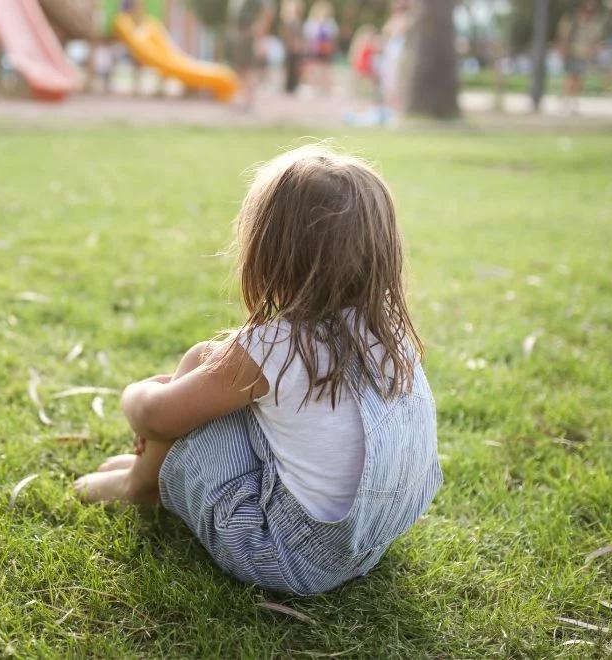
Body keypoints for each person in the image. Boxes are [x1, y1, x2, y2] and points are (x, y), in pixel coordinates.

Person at [75, 146, 442, 595]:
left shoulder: (280, 346)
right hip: (369, 539)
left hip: (283, 555)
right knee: (210, 369)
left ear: (268, 251)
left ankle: (139, 484)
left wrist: (137, 393)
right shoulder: (390, 331)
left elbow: (156, 417)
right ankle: (149, 472)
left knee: (196, 370)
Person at [556, 0, 604, 113]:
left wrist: (595, 51)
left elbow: (596, 40)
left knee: (579, 79)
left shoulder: (593, 24)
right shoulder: (572, 21)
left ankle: (572, 101)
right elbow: (563, 37)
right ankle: (566, 101)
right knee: (571, 78)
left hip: (584, 54)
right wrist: (562, 51)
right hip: (572, 53)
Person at [227, 0, 276, 110]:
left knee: (248, 70)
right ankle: (244, 98)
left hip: (249, 35)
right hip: (240, 35)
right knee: (240, 69)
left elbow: (269, 10)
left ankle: (248, 101)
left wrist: (261, 29)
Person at [301, 0, 337, 96]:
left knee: (326, 69)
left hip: (326, 49)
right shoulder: (311, 23)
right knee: (313, 68)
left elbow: (333, 36)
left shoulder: (330, 23)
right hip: (314, 49)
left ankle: (326, 89)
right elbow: (308, 35)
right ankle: (313, 88)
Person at [279, 0, 303, 94]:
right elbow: (286, 35)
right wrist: (291, 44)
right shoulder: (289, 22)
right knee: (289, 67)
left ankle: (292, 86)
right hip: (290, 48)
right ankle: (288, 86)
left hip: (294, 48)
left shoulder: (296, 22)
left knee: (295, 67)